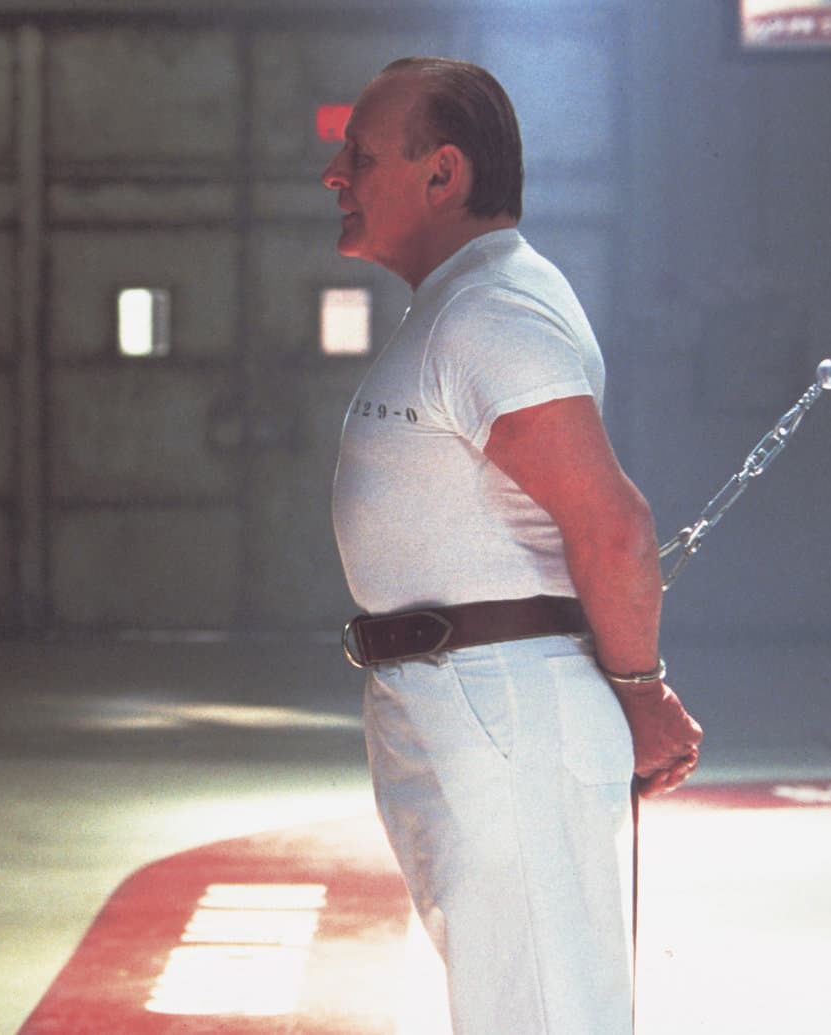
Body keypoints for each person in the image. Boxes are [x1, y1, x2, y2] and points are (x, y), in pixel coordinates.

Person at [322, 58, 703, 1033]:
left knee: (539, 1010)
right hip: (466, 700)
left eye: (360, 156)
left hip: (503, 708)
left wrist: (640, 695)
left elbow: (613, 528)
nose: (336, 175)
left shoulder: (491, 312)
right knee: (515, 1003)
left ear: (442, 173)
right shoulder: (461, 304)